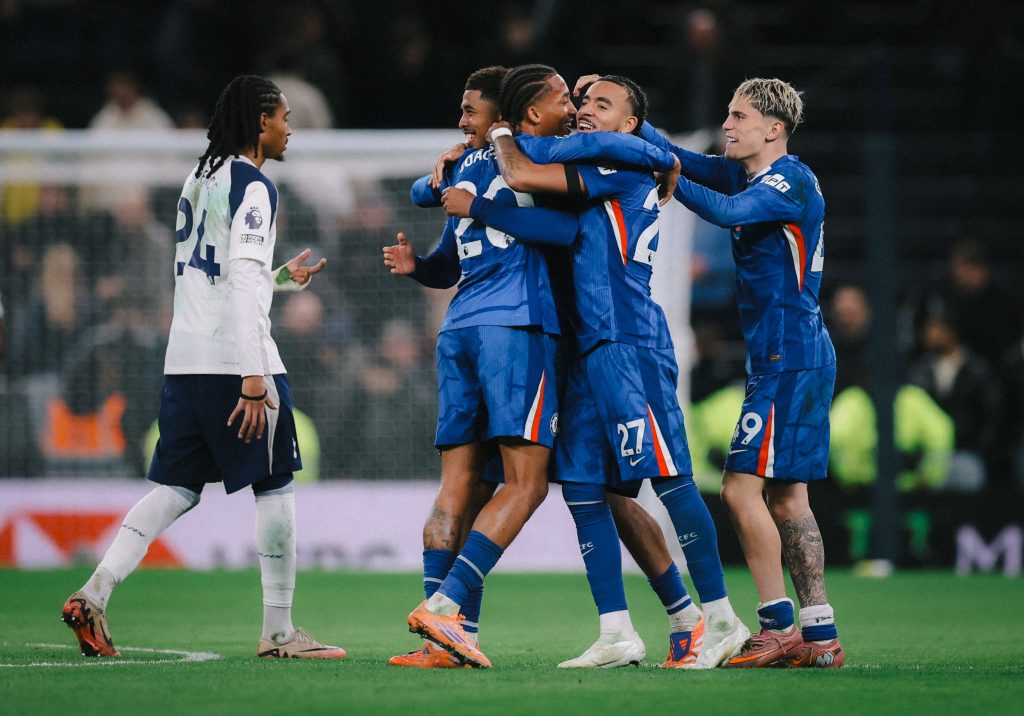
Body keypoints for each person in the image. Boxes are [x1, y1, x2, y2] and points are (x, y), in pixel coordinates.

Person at [384, 65, 681, 669]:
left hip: (468, 328)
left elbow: (429, 209)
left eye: (468, 112)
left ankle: (446, 636)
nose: (573, 108)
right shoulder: (537, 164)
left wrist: (424, 246)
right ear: (521, 114)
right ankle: (446, 611)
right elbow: (566, 227)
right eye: (562, 98)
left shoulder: (468, 168)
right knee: (551, 485)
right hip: (531, 333)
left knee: (469, 486)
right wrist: (662, 157)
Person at [455, 73, 747, 669]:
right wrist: (463, 154)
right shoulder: (601, 159)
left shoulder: (623, 164)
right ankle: (616, 631)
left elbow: (522, 172)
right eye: (583, 101)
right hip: (588, 349)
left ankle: (721, 618)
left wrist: (498, 133)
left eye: (602, 103)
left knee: (670, 479)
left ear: (632, 123)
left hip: (629, 341)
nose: (586, 109)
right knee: (584, 488)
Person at [60, 75, 339, 660]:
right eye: (285, 117)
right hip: (238, 362)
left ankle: (95, 591)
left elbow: (215, 273)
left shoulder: (198, 177)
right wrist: (254, 375)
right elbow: (239, 280)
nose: (290, 129)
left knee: (176, 488)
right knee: (275, 487)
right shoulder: (255, 185)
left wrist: (280, 279)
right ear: (261, 120)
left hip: (185, 359)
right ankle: (280, 632)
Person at [637, 77, 845, 667]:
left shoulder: (788, 179)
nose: (727, 125)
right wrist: (626, 122)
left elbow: (725, 211)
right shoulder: (746, 174)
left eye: (739, 116)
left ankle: (777, 626)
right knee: (788, 496)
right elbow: (680, 157)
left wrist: (670, 181)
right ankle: (820, 634)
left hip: (789, 356)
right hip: (788, 354)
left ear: (773, 129)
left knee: (738, 487)